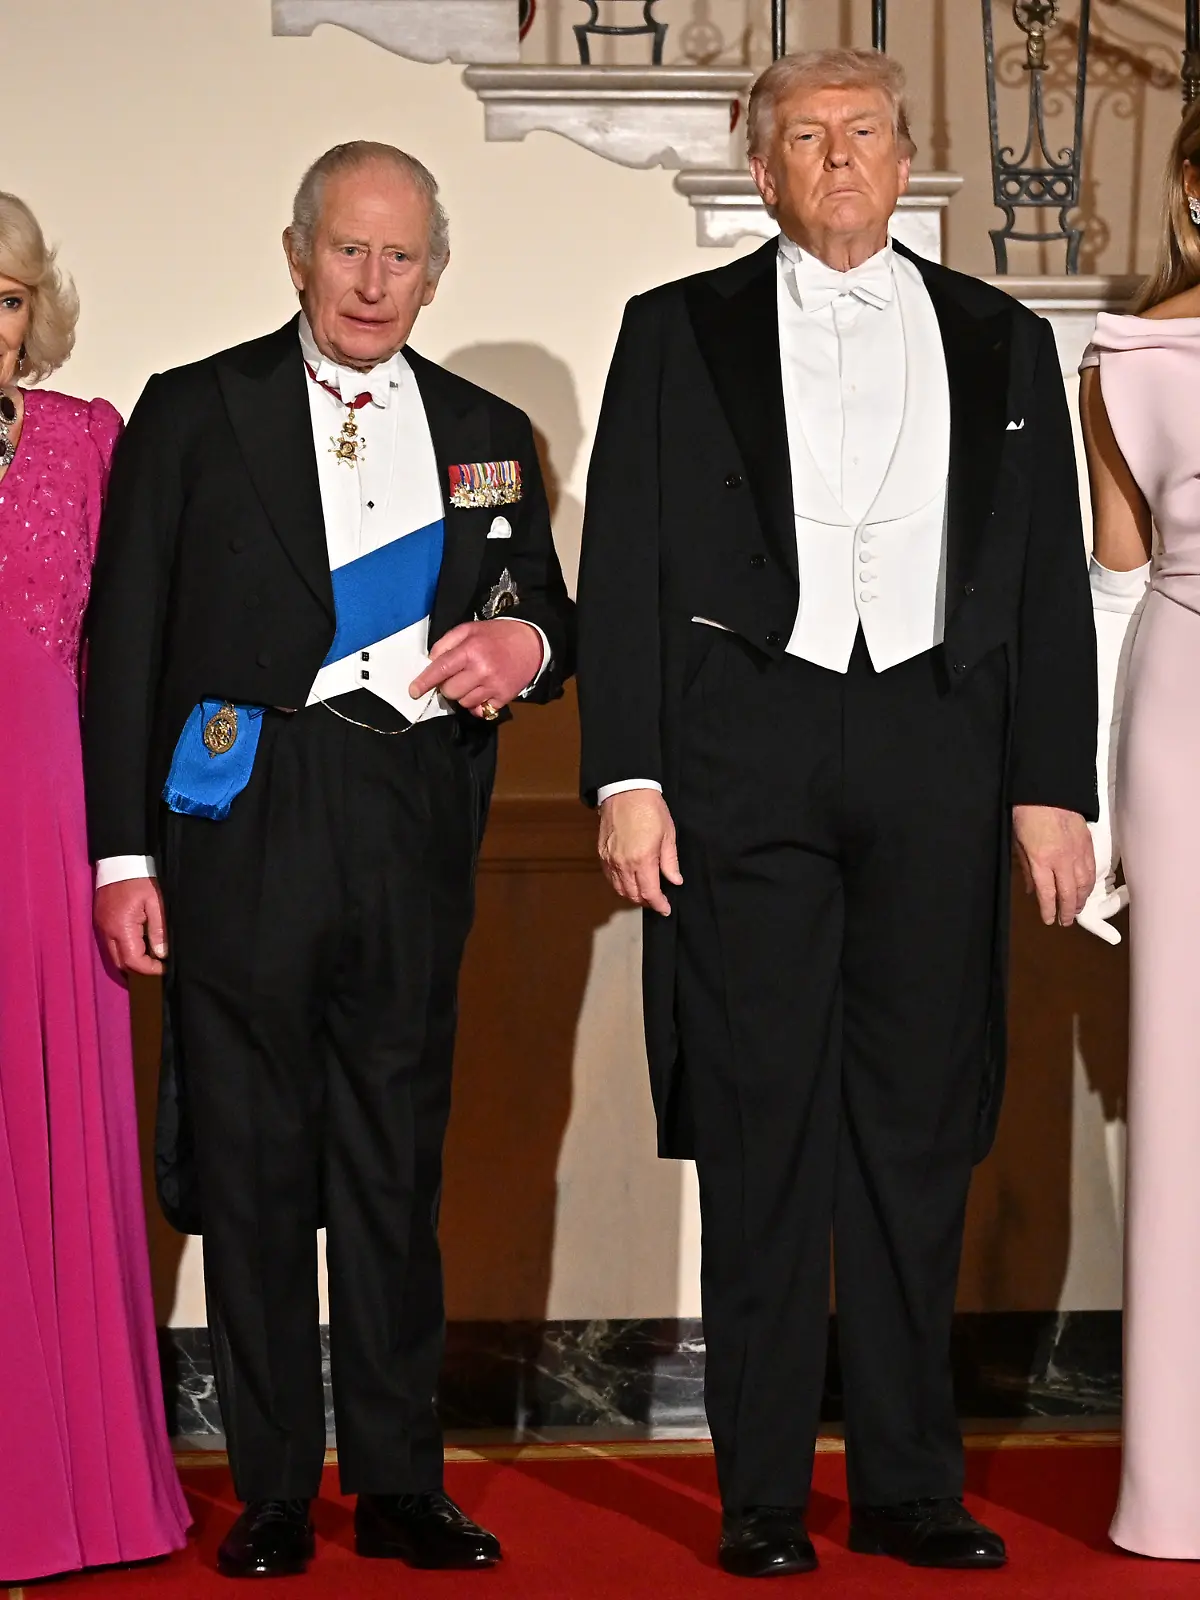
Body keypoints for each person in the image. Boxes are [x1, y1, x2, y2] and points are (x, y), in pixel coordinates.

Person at [577, 48, 1097, 1578]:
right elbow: (627, 566)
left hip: (942, 745)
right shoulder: (674, 332)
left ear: (908, 149)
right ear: (763, 169)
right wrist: (628, 774)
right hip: (748, 749)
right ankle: (755, 1498)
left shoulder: (1003, 338)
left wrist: (1050, 785)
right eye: (805, 138)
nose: (839, 159)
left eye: (863, 132)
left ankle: (909, 1485)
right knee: (759, 1130)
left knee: (917, 1130)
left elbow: (1048, 580)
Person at [83, 143, 573, 1581]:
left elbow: (537, 605)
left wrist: (528, 645)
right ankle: (279, 1489)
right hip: (244, 815)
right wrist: (123, 856)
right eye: (346, 251)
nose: (372, 283)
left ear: (436, 265)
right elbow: (126, 659)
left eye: (401, 256)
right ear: (294, 252)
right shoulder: (194, 410)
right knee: (247, 1166)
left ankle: (403, 1482)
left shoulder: (487, 429)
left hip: (412, 820)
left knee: (388, 1167)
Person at [0, 193, 189, 1583]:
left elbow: (137, 648)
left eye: (5, 296)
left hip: (50, 812)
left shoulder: (87, 439)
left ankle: (71, 1491)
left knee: (53, 1125)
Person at [1077, 99, 1200, 1561]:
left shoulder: (1123, 353)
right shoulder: (1126, 355)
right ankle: (1176, 1487)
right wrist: (1098, 805)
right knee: (1176, 1101)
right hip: (1179, 724)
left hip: (1176, 707)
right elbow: (1116, 589)